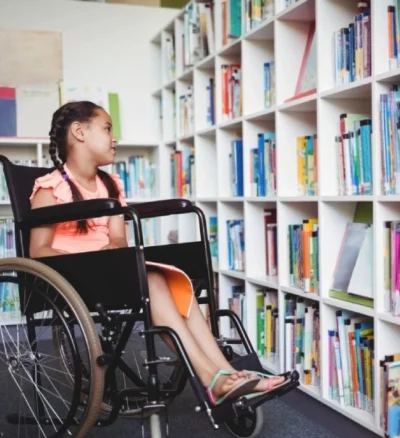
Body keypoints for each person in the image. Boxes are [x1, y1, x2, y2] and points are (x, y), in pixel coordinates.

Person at [29, 101, 285, 406]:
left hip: (109, 269)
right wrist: (86, 261)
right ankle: (212, 380)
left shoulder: (111, 185)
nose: (114, 138)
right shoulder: (51, 188)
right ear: (79, 132)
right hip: (73, 276)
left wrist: (110, 253)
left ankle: (228, 373)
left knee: (173, 281)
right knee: (152, 283)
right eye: (107, 128)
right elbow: (38, 250)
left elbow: (117, 239)